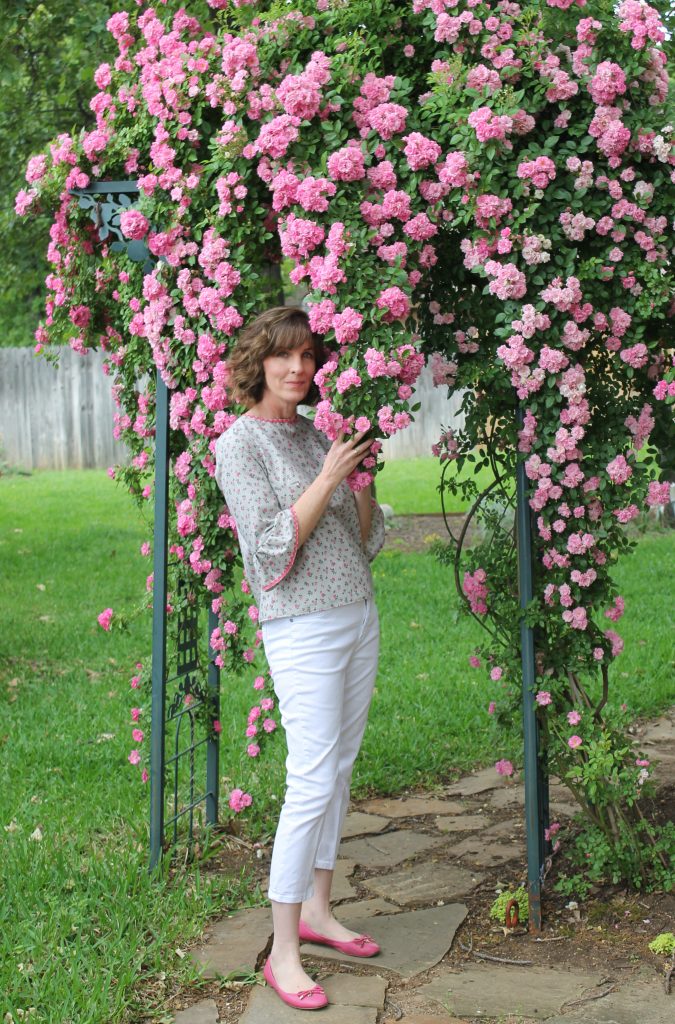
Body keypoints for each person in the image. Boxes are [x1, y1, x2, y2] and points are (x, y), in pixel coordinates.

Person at [214, 306, 385, 1011]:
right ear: (258, 362)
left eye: (309, 358)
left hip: (356, 614)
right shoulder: (240, 445)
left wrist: (364, 487)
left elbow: (362, 540)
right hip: (302, 626)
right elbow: (270, 549)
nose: (298, 369)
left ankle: (318, 911)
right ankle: (281, 950)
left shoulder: (319, 437)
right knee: (310, 777)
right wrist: (325, 480)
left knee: (339, 767)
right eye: (285, 357)